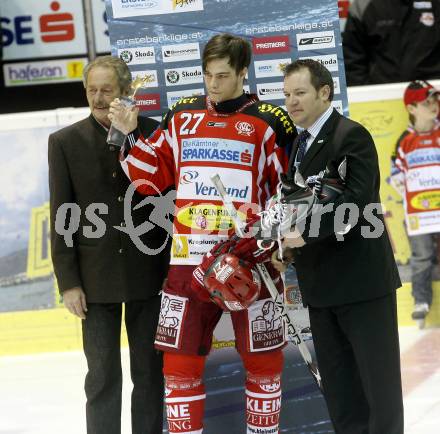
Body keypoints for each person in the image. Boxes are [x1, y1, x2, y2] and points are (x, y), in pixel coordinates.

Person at [109, 33, 296, 434]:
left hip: (250, 262)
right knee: (178, 365)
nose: (213, 84)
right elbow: (151, 179)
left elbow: (290, 191)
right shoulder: (182, 114)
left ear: (243, 73)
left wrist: (269, 242)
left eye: (223, 76)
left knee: (264, 363)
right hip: (187, 263)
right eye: (208, 75)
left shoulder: (270, 122)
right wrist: (129, 134)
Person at [271, 59, 404, 433]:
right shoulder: (298, 144)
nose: (291, 102)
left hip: (363, 286)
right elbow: (297, 205)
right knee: (341, 394)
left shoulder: (351, 135)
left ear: (324, 92)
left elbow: (356, 203)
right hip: (321, 288)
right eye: (287, 95)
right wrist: (288, 248)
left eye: (300, 93)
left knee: (380, 392)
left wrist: (302, 235)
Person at [48, 55, 169, 434]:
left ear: (125, 92)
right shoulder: (64, 142)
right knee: (100, 376)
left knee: (149, 373)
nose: (99, 98)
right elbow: (62, 216)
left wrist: (130, 135)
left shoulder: (152, 133)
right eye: (92, 90)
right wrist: (68, 282)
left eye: (107, 90)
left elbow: (166, 196)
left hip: (148, 274)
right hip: (94, 279)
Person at [390, 80, 440, 326]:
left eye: (435, 99)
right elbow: (395, 173)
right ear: (411, 108)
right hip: (419, 214)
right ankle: (421, 300)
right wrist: (405, 187)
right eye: (426, 101)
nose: (434, 105)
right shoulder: (404, 141)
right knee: (421, 257)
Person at [342, 0, 440, 86]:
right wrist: (366, 94)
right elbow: (352, 61)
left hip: (432, 96)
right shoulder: (363, 5)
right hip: (381, 97)